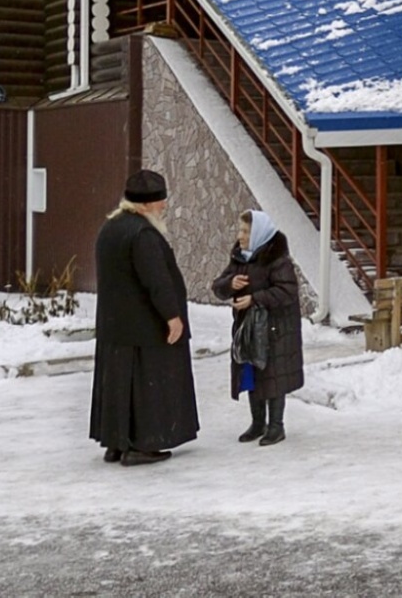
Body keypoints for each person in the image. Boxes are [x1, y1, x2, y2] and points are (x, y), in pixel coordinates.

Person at [89, 169, 200, 466]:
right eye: (160, 200)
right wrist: (172, 316)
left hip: (116, 327)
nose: (164, 205)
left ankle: (117, 442)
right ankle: (142, 444)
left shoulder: (111, 227)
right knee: (148, 387)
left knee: (119, 386)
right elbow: (156, 281)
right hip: (145, 328)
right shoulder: (143, 234)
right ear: (147, 204)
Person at [211, 207, 304, 446]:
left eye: (245, 231)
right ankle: (258, 423)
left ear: (259, 233)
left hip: (276, 329)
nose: (240, 236)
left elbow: (287, 291)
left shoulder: (277, 259)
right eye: (240, 230)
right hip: (249, 329)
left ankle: (276, 426)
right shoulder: (240, 257)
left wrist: (255, 298)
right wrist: (230, 283)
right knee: (251, 372)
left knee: (273, 375)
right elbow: (218, 286)